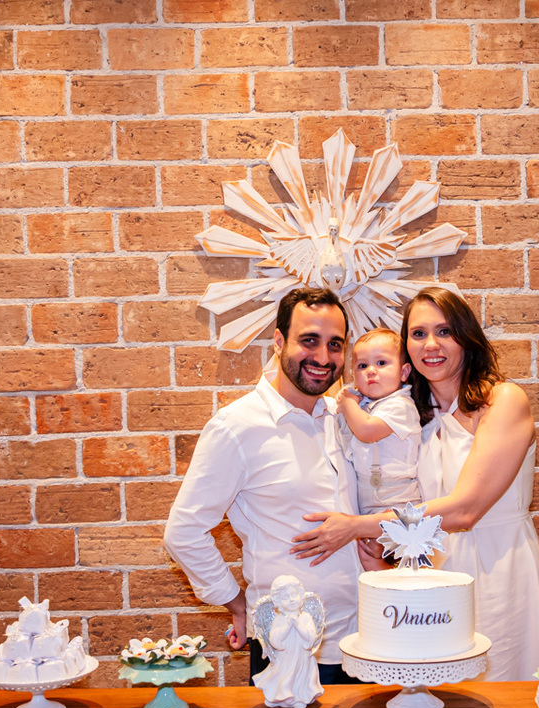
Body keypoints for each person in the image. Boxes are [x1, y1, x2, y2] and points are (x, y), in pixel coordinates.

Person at [291, 286, 539, 680]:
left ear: (467, 337)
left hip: (499, 567)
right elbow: (410, 499)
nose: (430, 344)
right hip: (434, 573)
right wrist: (387, 557)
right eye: (418, 334)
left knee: (503, 690)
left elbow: (465, 511)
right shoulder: (417, 420)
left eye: (444, 331)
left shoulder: (503, 401)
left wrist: (356, 526)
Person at [162, 287, 380, 686]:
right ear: (279, 341)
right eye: (308, 341)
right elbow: (184, 531)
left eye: (335, 345)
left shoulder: (342, 418)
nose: (323, 357)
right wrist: (239, 605)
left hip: (366, 640)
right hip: (290, 647)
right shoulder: (236, 427)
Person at [336, 327, 422, 515]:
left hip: (398, 501)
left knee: (398, 541)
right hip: (367, 502)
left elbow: (367, 431)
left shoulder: (401, 405)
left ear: (404, 372)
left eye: (381, 363)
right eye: (362, 366)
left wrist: (347, 403)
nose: (371, 371)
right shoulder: (364, 406)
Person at [253, 575, 324, 708]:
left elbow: (311, 637)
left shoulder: (305, 617)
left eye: (294, 594)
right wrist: (287, 626)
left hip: (302, 656)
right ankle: (276, 697)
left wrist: (298, 625)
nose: (291, 599)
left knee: (300, 676)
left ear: (301, 595)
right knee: (283, 676)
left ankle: (299, 697)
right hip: (286, 656)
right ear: (278, 602)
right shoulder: (279, 619)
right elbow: (275, 639)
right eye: (285, 597)